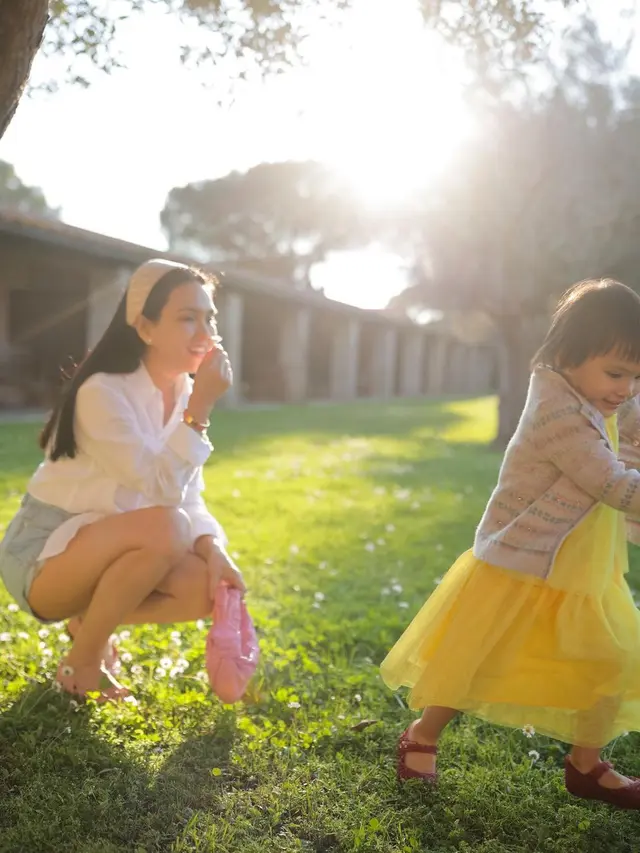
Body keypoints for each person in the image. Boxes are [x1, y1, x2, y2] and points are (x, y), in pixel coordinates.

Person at [381, 279, 640, 809]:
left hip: (584, 566)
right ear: (568, 356)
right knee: (477, 660)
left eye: (637, 375)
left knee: (614, 661)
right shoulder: (559, 414)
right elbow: (612, 483)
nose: (626, 388)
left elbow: (632, 425)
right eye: (617, 373)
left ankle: (587, 766)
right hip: (524, 561)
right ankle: (422, 734)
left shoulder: (601, 395)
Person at [0, 258, 245, 703]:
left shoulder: (184, 393)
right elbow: (161, 491)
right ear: (145, 327)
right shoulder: (103, 392)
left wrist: (214, 551)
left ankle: (87, 623)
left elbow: (188, 496)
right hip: (42, 556)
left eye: (209, 318)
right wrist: (200, 411)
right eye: (187, 318)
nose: (205, 332)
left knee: (204, 587)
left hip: (111, 547)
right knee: (168, 527)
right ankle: (82, 663)